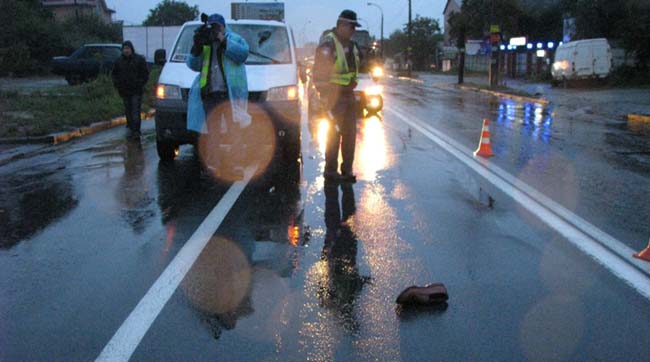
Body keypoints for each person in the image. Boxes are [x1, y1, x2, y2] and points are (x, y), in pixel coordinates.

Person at [185, 13, 250, 176]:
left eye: (217, 27)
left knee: (234, 131)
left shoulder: (234, 38)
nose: (214, 30)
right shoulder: (206, 41)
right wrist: (197, 47)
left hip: (230, 94)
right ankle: (214, 166)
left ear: (223, 27)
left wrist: (224, 40)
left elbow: (243, 54)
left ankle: (236, 166)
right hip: (211, 93)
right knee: (212, 132)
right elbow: (192, 64)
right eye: (212, 27)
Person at [313, 10, 362, 184]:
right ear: (341, 25)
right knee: (334, 134)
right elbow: (318, 74)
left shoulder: (353, 46)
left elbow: (357, 69)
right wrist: (325, 96)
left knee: (350, 135)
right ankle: (330, 171)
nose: (353, 30)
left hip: (348, 96)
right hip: (333, 97)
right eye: (351, 26)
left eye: (355, 27)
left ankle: (347, 170)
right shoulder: (329, 45)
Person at [112, 41, 149, 139]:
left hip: (136, 90)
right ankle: (131, 129)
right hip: (124, 91)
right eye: (124, 48)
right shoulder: (119, 61)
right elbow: (114, 74)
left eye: (128, 48)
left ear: (131, 49)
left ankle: (136, 131)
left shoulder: (139, 60)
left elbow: (145, 74)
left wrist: (139, 83)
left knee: (135, 111)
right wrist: (117, 85)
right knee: (128, 110)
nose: (126, 50)